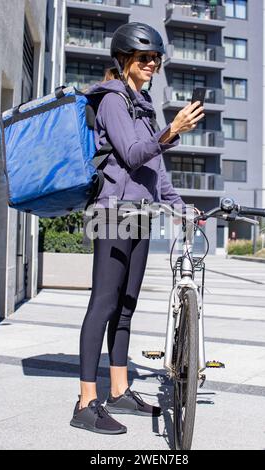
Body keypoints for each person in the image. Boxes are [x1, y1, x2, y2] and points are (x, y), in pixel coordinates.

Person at [70, 22, 205, 435]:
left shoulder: (144, 107)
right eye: (144, 58)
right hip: (112, 214)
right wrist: (172, 131)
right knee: (104, 304)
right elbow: (130, 155)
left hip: (141, 214)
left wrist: (181, 209)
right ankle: (85, 402)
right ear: (125, 59)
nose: (151, 64)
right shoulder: (112, 99)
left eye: (156, 59)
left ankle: (119, 388)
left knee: (126, 308)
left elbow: (155, 173)